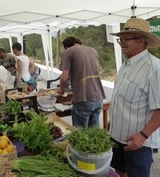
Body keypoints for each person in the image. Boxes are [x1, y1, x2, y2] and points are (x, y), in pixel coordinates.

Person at [109, 18, 160, 177]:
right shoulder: (126, 64)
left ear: (141, 41)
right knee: (119, 172)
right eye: (120, 39)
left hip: (138, 143)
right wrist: (113, 118)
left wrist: (143, 136)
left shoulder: (154, 69)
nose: (122, 43)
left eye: (126, 39)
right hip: (117, 136)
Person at [58, 36, 105, 128]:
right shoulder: (93, 50)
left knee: (80, 135)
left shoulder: (69, 51)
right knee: (94, 133)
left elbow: (64, 78)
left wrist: (61, 90)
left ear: (66, 46)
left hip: (83, 98)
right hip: (98, 97)